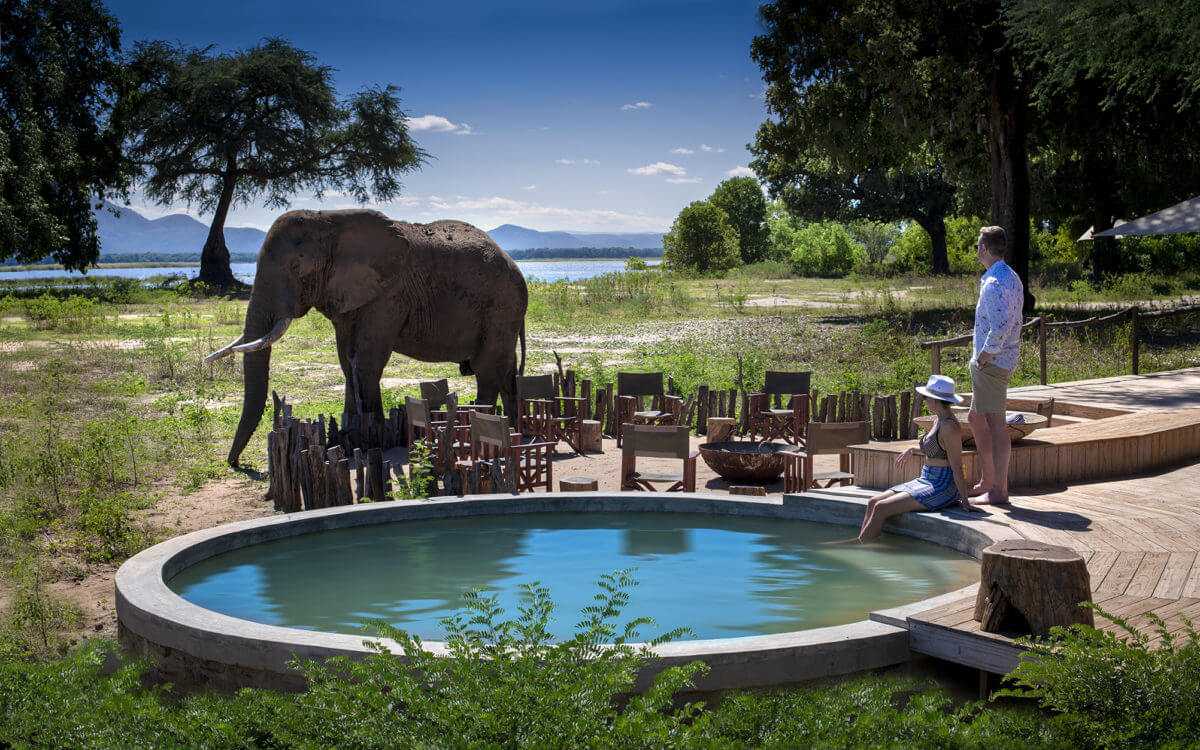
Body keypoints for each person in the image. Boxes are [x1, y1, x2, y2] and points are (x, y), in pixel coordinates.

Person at [858, 375, 974, 542]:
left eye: (926, 397)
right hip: (926, 478)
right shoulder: (938, 419)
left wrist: (965, 501)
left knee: (881, 507)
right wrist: (912, 449)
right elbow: (937, 448)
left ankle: (863, 547)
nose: (925, 400)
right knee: (873, 501)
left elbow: (956, 466)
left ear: (935, 400)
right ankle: (862, 539)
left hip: (942, 485)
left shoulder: (949, 427)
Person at [967, 226, 1024, 506]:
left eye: (979, 245)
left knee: (996, 426)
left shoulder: (994, 283)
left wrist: (985, 355)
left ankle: (998, 490)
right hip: (998, 360)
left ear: (985, 249)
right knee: (975, 419)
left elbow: (1001, 326)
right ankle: (987, 481)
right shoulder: (1009, 276)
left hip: (993, 363)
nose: (977, 249)